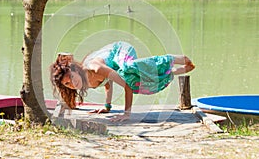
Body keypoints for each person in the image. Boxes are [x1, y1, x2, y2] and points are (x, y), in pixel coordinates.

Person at [50, 41, 195, 122]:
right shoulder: (85, 81)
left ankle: (169, 59)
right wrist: (107, 106)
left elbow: (127, 86)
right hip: (111, 62)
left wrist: (127, 113)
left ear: (77, 70)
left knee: (128, 71)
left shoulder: (95, 68)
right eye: (68, 84)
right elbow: (106, 82)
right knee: (139, 83)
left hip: (120, 50)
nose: (73, 84)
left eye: (72, 79)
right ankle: (171, 71)